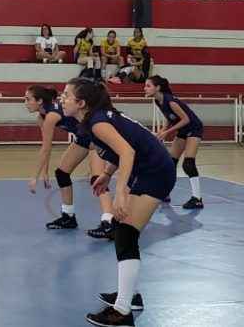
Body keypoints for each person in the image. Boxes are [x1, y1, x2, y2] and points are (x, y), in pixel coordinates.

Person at [61, 78, 176, 326]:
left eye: (66, 95)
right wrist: (107, 174)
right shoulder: (95, 118)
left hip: (155, 173)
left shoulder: (98, 122)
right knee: (123, 232)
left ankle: (122, 311)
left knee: (124, 232)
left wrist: (121, 191)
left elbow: (128, 152)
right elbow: (123, 148)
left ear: (81, 103)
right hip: (148, 170)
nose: (62, 98)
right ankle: (128, 296)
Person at [24, 85, 116, 239]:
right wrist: (45, 172)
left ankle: (109, 221)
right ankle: (68, 217)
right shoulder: (41, 118)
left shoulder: (51, 116)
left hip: (95, 137)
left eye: (28, 99)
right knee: (62, 173)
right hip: (82, 138)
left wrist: (35, 176)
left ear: (39, 101)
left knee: (97, 179)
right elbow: (46, 146)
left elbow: (45, 149)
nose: (25, 102)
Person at [145, 75, 204, 209]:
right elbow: (169, 116)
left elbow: (186, 119)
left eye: (148, 86)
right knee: (170, 164)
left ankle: (197, 198)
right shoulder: (157, 100)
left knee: (188, 164)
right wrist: (163, 129)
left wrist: (167, 132)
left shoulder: (171, 101)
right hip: (183, 130)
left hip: (194, 128)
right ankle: (165, 193)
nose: (145, 88)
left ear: (158, 88)